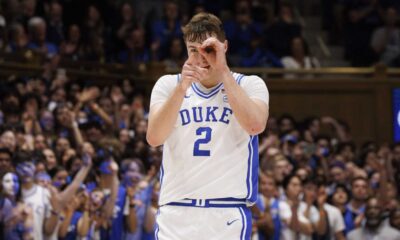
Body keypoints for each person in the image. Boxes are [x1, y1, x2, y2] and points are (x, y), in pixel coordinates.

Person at [147, 12, 269, 239]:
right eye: (193, 50)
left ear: (224, 47)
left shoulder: (250, 84)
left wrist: (222, 70)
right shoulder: (168, 85)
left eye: (208, 49)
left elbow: (255, 125)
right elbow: (154, 138)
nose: (201, 57)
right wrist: (182, 88)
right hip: (176, 210)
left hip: (226, 212)